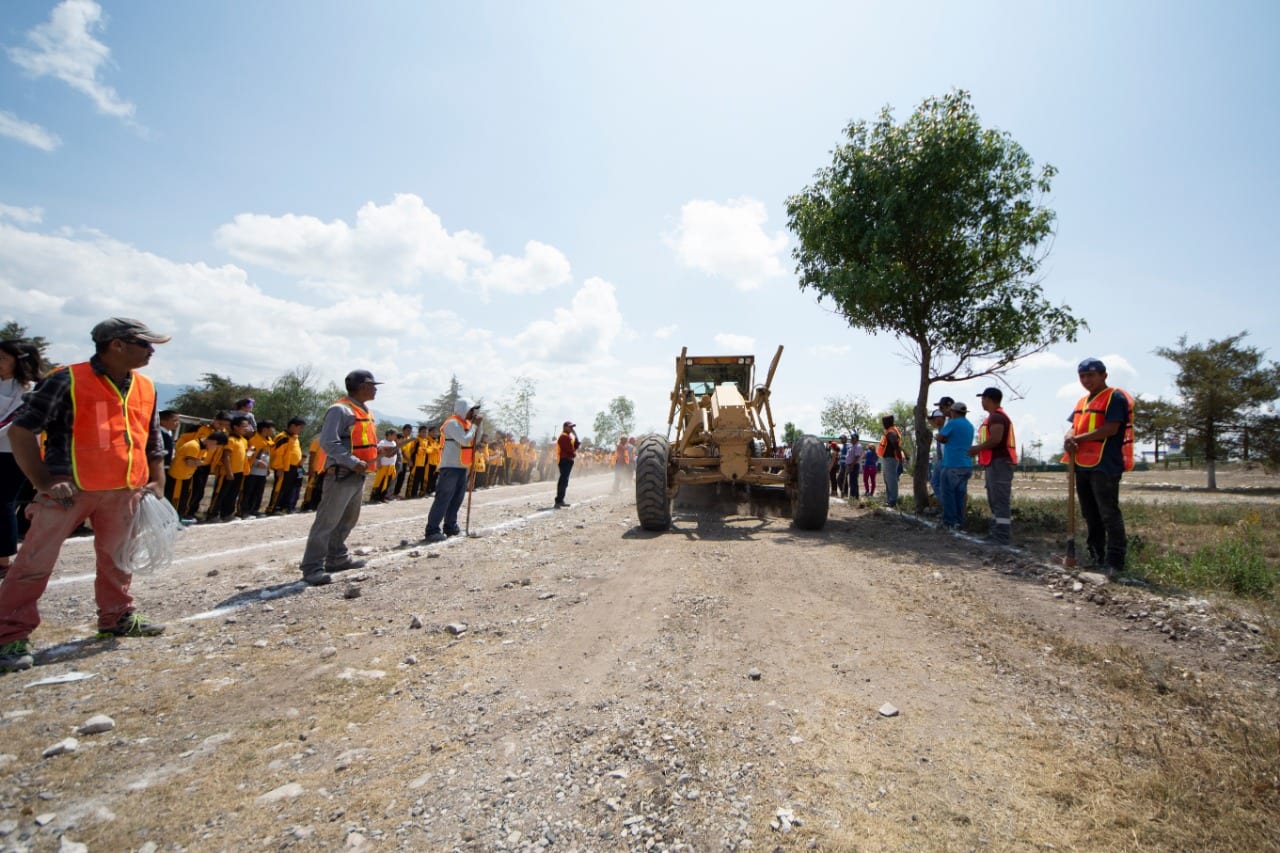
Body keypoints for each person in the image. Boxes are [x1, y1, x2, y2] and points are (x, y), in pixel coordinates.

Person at [0, 318, 171, 673]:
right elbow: (21, 431)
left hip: (124, 491)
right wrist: (44, 482)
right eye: (144, 343)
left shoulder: (145, 386)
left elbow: (151, 438)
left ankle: (117, 616)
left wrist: (157, 480)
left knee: (118, 560)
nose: (151, 351)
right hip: (70, 490)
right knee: (34, 562)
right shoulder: (67, 379)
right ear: (116, 345)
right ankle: (9, 635)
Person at [298, 370, 380, 586]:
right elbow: (328, 442)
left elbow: (361, 441)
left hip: (358, 475)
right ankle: (312, 567)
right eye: (373, 385)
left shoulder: (364, 410)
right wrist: (352, 461)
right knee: (326, 522)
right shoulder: (339, 410)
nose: (376, 389)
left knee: (347, 520)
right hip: (342, 474)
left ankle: (337, 558)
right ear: (362, 386)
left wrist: (380, 450)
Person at [1063, 358, 1134, 577]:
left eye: (1091, 375)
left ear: (1104, 375)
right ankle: (1096, 556)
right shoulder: (1082, 402)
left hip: (1105, 464)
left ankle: (1115, 562)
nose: (1086, 380)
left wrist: (1080, 438)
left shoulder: (1115, 397)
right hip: (1082, 463)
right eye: (1082, 376)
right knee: (1090, 513)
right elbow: (1072, 427)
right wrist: (1069, 437)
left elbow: (1111, 428)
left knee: (1108, 513)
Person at [0, 339, 44, 580]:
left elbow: (13, 423)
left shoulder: (31, 389)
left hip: (14, 453)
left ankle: (3, 559)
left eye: (3, 358)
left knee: (3, 502)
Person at [424, 399, 482, 543]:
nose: (473, 413)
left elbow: (476, 440)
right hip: (450, 466)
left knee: (457, 499)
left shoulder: (467, 424)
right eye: (471, 409)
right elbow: (464, 440)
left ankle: (450, 525)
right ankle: (432, 530)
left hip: (462, 466)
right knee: (443, 498)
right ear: (464, 409)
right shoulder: (452, 423)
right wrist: (474, 426)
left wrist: (478, 426)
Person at [970, 387, 1017, 544]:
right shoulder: (994, 417)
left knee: (1000, 500)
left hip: (1000, 463)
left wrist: (977, 449)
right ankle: (996, 532)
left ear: (989, 399)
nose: (982, 402)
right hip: (994, 463)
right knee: (994, 500)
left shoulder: (996, 418)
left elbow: (996, 439)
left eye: (983, 399)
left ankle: (1001, 536)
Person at [934, 400, 974, 529]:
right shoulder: (970, 425)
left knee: (948, 494)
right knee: (959, 495)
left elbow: (940, 438)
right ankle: (959, 521)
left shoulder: (953, 423)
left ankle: (950, 521)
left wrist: (945, 438)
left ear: (954, 412)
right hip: (966, 465)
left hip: (952, 464)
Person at [876, 415, 906, 508]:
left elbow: (895, 445)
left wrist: (900, 458)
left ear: (889, 422)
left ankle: (892, 501)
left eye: (884, 422)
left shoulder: (891, 432)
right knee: (887, 480)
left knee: (891, 480)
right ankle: (890, 500)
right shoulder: (890, 431)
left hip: (891, 459)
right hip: (888, 459)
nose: (883, 424)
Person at [554, 421, 580, 508]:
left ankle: (560, 500)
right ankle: (559, 500)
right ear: (565, 427)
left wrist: (576, 436)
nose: (571, 428)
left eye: (572, 427)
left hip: (568, 460)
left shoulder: (569, 437)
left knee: (564, 480)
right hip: (564, 460)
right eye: (570, 427)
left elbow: (575, 447)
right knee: (563, 480)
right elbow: (570, 450)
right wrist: (574, 455)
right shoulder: (563, 437)